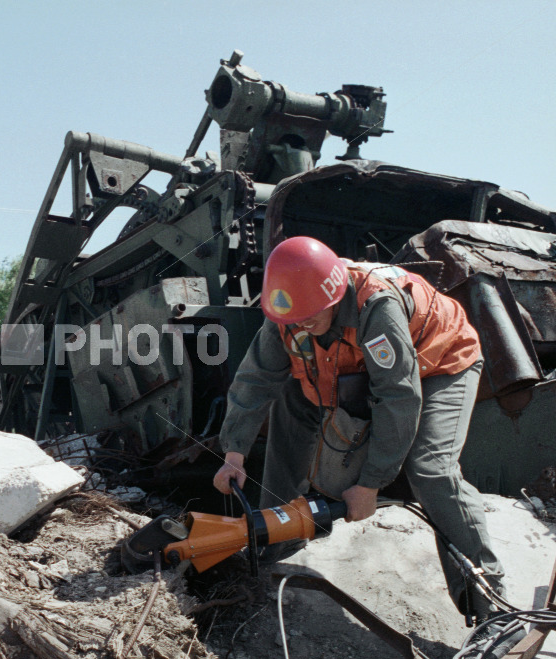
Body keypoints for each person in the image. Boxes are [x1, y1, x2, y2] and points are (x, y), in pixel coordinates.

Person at [213, 235, 505, 622]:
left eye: (311, 315)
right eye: (294, 318)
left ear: (334, 294)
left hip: (440, 362)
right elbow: (255, 380)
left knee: (430, 469)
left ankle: (490, 605)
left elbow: (398, 397)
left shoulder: (376, 306)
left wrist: (370, 484)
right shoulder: (289, 310)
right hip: (358, 368)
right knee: (290, 399)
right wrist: (234, 455)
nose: (302, 324)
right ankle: (276, 539)